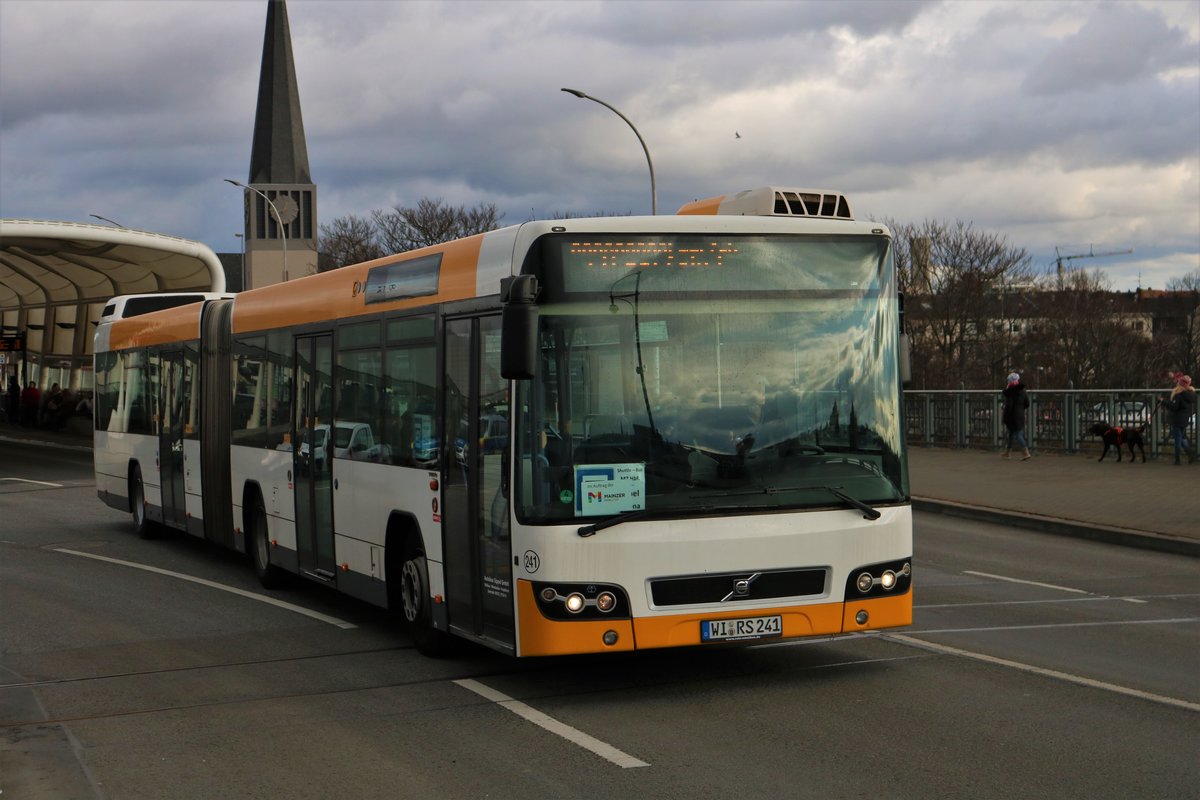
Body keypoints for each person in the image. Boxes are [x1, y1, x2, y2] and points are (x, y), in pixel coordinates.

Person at [1162, 373, 1196, 465]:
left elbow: (1174, 407)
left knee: (1178, 439)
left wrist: (1163, 402)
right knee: (1182, 437)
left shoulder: (1178, 395)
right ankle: (1190, 453)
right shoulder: (1191, 394)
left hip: (1177, 419)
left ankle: (1178, 459)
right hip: (1185, 419)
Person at [1001, 371, 1031, 460]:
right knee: (1011, 433)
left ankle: (1026, 452)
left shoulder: (1011, 392)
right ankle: (1007, 452)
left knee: (1017, 434)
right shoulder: (1023, 391)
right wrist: (1020, 409)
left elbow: (1009, 406)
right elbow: (1027, 403)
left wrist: (1005, 414)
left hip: (1012, 417)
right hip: (1020, 415)